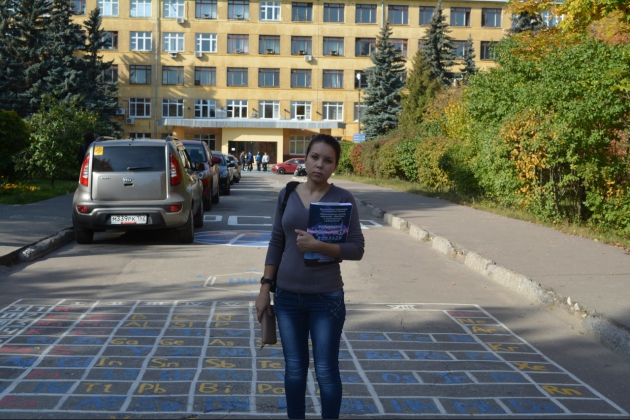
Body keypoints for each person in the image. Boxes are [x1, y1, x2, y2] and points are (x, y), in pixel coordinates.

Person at [256, 134, 365, 419]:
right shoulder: (287, 194)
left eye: (328, 160)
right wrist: (265, 288)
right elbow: (276, 241)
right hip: (287, 297)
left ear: (335, 166)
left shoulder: (343, 198)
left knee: (326, 371)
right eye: (315, 157)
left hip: (326, 299)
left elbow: (357, 249)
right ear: (305, 158)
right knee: (294, 370)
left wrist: (318, 245)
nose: (320, 165)